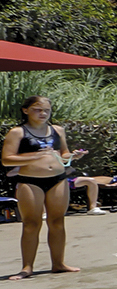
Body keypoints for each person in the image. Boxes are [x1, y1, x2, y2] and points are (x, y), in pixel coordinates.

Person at [4, 95, 83, 278]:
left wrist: (73, 156)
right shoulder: (18, 132)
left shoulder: (57, 130)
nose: (43, 113)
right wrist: (35, 156)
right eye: (38, 109)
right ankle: (27, 267)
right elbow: (7, 159)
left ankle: (58, 263)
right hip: (31, 181)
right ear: (26, 110)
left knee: (57, 222)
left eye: (46, 110)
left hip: (57, 179)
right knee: (31, 224)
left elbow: (63, 154)